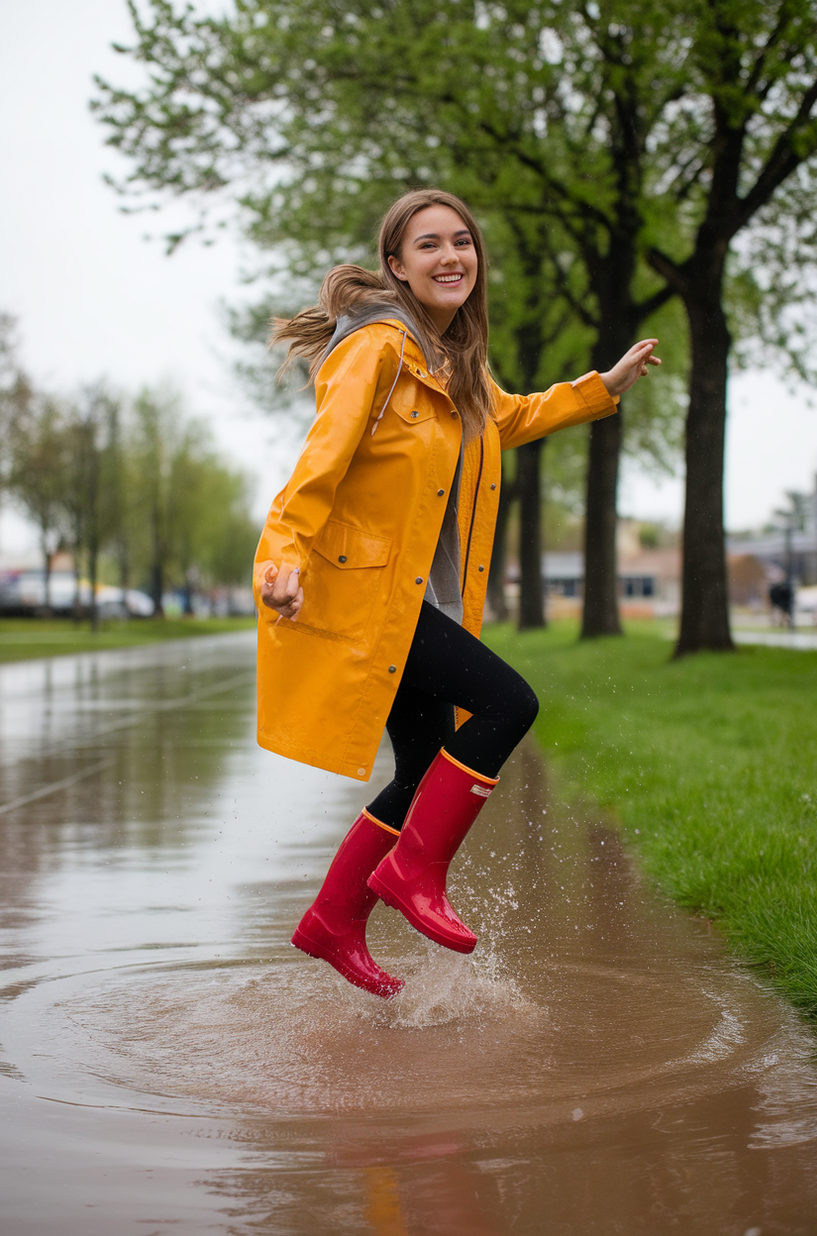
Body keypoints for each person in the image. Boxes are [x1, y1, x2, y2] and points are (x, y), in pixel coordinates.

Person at [253, 188, 660, 999]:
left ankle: (334, 920)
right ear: (396, 266)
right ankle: (415, 872)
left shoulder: (453, 368)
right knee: (509, 704)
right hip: (372, 601)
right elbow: (317, 466)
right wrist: (281, 559)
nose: (452, 256)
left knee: (419, 771)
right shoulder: (376, 350)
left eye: (463, 242)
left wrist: (601, 388)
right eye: (429, 244)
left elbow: (509, 417)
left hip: (420, 603)